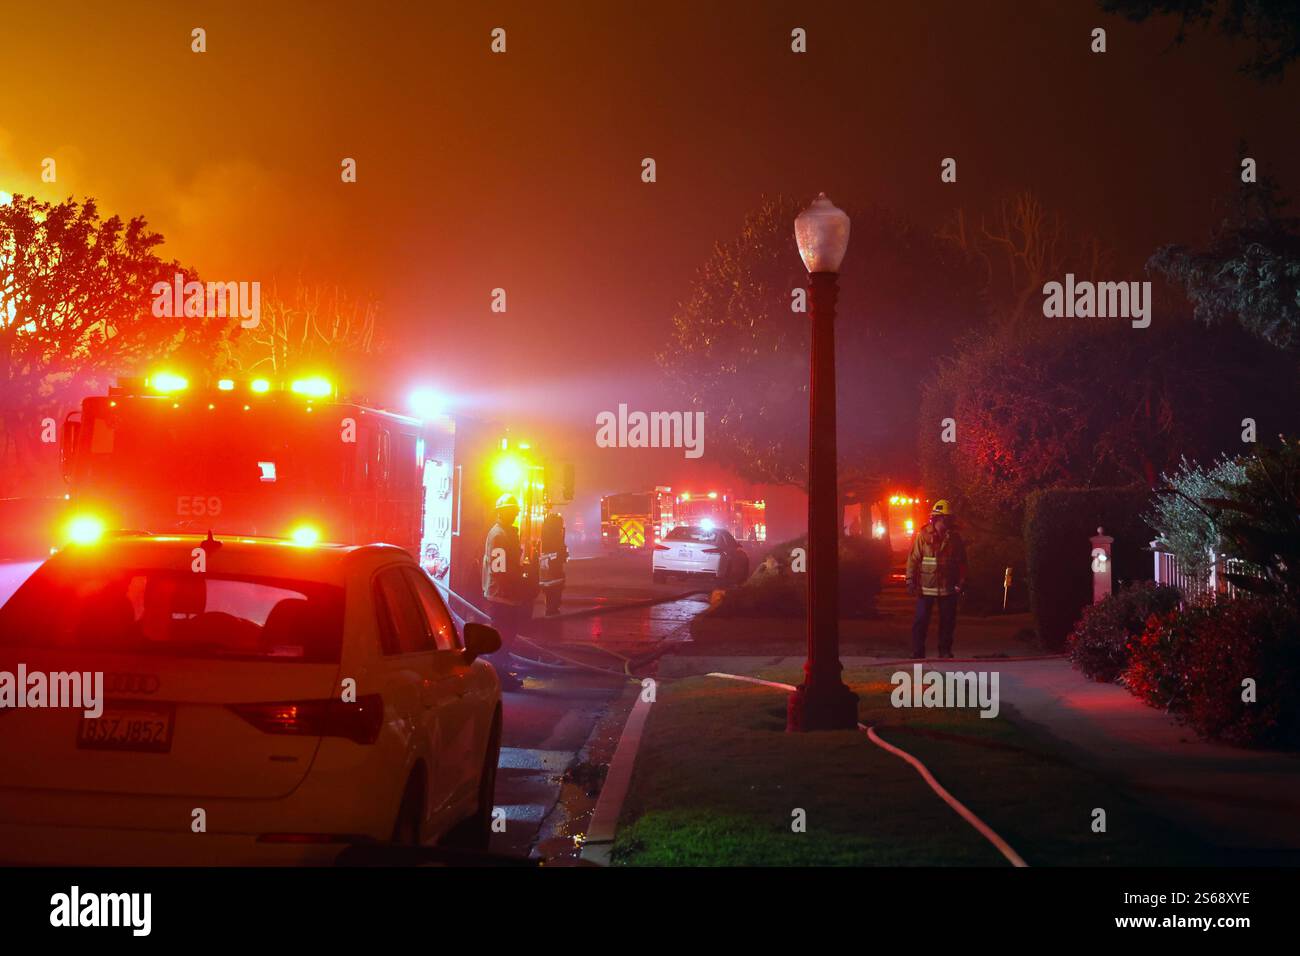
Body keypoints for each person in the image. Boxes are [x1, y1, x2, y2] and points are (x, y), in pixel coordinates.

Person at [905, 499, 968, 660]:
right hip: (926, 588)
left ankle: (945, 651)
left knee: (947, 622)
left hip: (948, 588)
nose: (950, 521)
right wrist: (910, 579)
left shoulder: (954, 538)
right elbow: (913, 559)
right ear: (939, 518)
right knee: (921, 621)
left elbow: (962, 562)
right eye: (947, 518)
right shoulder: (923, 536)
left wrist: (961, 581)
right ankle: (917, 652)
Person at [482, 493, 531, 690]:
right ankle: (498, 678)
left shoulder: (506, 532)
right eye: (512, 511)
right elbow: (499, 569)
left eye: (515, 511)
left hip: (507, 596)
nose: (515, 515)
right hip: (502, 597)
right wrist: (518, 585)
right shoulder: (498, 535)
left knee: (506, 638)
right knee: (501, 639)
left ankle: (501, 674)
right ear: (502, 513)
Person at [539, 511, 569, 616]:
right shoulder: (555, 535)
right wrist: (562, 554)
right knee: (553, 591)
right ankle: (552, 609)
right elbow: (558, 551)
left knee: (551, 590)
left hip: (549, 570)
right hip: (554, 571)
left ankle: (551, 608)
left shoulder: (545, 533)